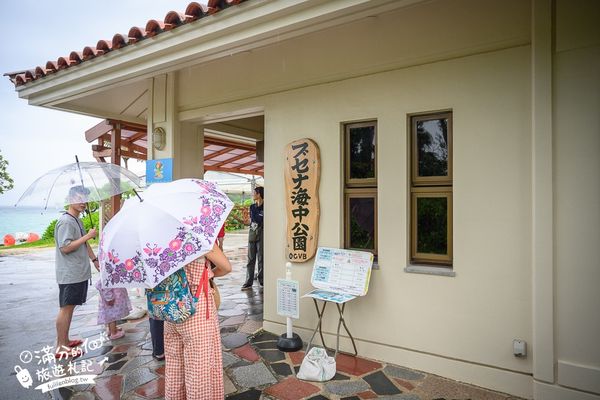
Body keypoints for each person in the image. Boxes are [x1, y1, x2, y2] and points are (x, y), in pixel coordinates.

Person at [164, 243, 232, 399]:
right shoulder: (197, 235)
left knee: (175, 369)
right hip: (196, 309)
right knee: (198, 372)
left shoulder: (158, 237)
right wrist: (209, 273)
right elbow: (226, 267)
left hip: (170, 309)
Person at [54, 185, 99, 358]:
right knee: (66, 308)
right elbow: (65, 247)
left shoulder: (76, 219)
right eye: (79, 199)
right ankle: (61, 348)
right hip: (70, 273)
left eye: (85, 200)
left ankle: (65, 341)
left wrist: (94, 260)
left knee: (70, 308)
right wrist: (88, 235)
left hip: (78, 272)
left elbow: (83, 243)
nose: (83, 203)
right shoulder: (66, 221)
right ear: (70, 198)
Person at [242, 186, 264, 290]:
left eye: (254, 193)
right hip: (252, 234)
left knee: (261, 258)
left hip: (262, 234)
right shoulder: (252, 207)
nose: (253, 195)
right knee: (250, 259)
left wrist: (257, 218)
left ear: (259, 194)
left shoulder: (266, 207)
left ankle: (262, 280)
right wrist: (247, 222)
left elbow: (259, 220)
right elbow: (254, 221)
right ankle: (248, 282)